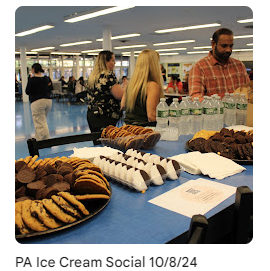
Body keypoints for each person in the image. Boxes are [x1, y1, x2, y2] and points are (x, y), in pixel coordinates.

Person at [188, 28, 250, 101]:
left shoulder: (239, 65)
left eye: (231, 46)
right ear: (213, 44)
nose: (228, 50)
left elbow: (248, 91)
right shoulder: (199, 67)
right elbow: (195, 96)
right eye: (224, 46)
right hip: (214, 111)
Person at [86, 50, 126, 132]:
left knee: (97, 140)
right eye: (113, 60)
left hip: (92, 114)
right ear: (106, 62)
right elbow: (119, 95)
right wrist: (126, 86)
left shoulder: (93, 76)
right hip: (105, 115)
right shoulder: (108, 75)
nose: (114, 63)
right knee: (107, 142)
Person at [123, 49, 164, 124]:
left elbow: (122, 105)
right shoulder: (152, 86)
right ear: (154, 66)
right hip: (143, 130)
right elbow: (151, 116)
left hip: (127, 127)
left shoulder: (131, 85)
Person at [25, 63, 52, 140]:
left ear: (33, 70)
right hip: (48, 101)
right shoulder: (46, 78)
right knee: (42, 121)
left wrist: (29, 79)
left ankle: (43, 141)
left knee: (40, 122)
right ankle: (39, 138)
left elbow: (27, 91)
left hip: (38, 102)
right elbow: (49, 88)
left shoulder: (32, 80)